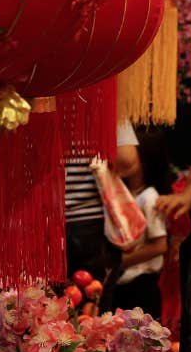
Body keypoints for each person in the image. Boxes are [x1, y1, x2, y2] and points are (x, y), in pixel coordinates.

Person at [65, 121, 139, 312]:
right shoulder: (101, 97)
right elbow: (126, 159)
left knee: (45, 314)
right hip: (91, 224)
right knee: (91, 319)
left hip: (40, 224)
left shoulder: (31, 96)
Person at [113, 130, 170, 315]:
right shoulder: (127, 194)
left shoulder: (149, 197)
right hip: (125, 283)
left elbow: (160, 245)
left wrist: (119, 262)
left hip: (141, 284)